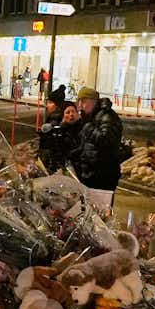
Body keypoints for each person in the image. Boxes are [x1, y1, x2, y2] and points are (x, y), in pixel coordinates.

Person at [69, 87, 129, 219]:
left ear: (94, 101)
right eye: (79, 101)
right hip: (91, 175)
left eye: (83, 101)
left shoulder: (107, 117)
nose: (80, 106)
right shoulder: (92, 116)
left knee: (100, 217)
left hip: (103, 176)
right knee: (88, 215)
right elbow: (87, 146)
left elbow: (106, 139)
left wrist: (88, 127)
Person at [37, 98, 78, 175]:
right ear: (62, 115)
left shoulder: (80, 127)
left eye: (73, 111)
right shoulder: (57, 130)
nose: (71, 115)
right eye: (67, 112)